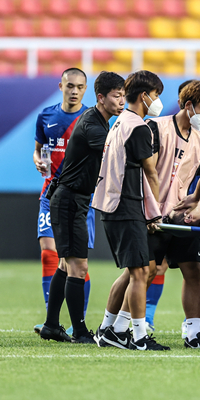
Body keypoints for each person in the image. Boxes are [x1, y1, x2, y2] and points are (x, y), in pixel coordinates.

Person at [39, 71, 125, 344]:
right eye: (117, 96)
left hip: (73, 199)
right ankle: (80, 331)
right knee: (78, 266)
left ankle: (52, 325)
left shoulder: (97, 121)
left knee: (66, 265)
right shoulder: (95, 126)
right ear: (101, 98)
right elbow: (116, 158)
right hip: (69, 200)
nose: (121, 101)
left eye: (124, 95)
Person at [93, 70, 169, 351]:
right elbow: (150, 173)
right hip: (127, 206)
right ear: (145, 96)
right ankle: (138, 338)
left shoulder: (119, 122)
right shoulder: (138, 126)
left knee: (135, 271)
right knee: (140, 273)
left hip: (114, 204)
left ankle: (108, 329)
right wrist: (155, 213)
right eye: (156, 95)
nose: (158, 101)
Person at [143, 80, 200, 349]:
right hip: (151, 215)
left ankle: (192, 333)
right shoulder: (156, 127)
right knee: (143, 272)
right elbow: (145, 172)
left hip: (178, 217)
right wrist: (149, 212)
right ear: (188, 106)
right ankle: (117, 326)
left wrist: (198, 205)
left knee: (192, 269)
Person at [33, 67, 90, 337]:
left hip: (80, 198)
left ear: (86, 89)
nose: (74, 91)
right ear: (61, 86)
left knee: (76, 261)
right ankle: (50, 317)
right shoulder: (46, 116)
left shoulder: (90, 118)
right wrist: (37, 160)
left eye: (80, 87)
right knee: (49, 252)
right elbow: (39, 149)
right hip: (50, 194)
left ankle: (75, 320)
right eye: (70, 86)